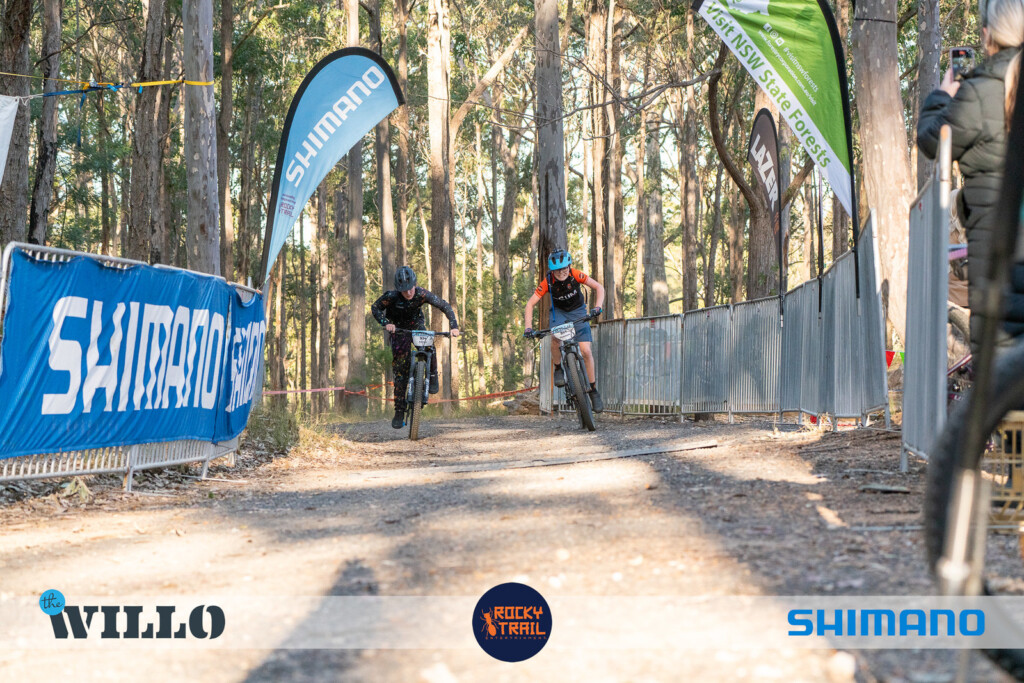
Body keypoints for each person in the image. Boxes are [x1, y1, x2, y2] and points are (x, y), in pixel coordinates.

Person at [918, 0, 1024, 350]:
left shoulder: (978, 90)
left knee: (999, 385)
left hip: (995, 268)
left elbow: (931, 138)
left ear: (986, 35)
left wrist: (944, 94)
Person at [372, 266, 460, 429]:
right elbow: (375, 308)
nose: (408, 293)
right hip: (398, 329)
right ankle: (399, 410)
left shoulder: (421, 294)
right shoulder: (391, 297)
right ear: (399, 289)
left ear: (415, 284)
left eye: (410, 288)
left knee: (429, 346)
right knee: (400, 369)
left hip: (416, 324)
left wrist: (454, 326)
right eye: (404, 291)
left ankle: (432, 375)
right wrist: (386, 323)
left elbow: (444, 306)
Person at [523, 249, 606, 413]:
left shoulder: (576, 275)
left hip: (578, 311)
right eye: (558, 270)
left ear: (569, 267)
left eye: (565, 269)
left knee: (586, 351)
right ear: (552, 271)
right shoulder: (547, 282)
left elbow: (598, 287)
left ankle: (593, 390)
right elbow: (530, 304)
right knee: (555, 338)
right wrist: (528, 327)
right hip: (559, 313)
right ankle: (558, 368)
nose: (562, 273)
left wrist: (598, 307)